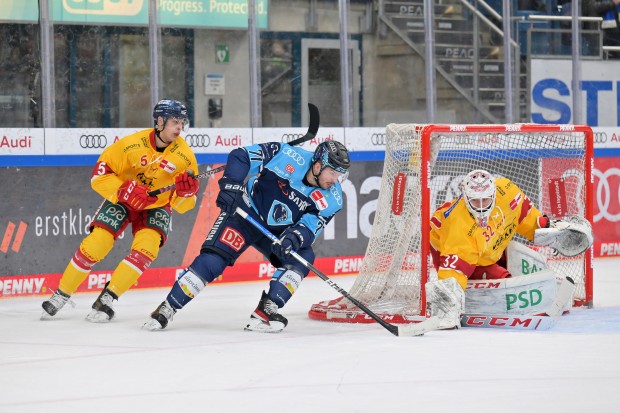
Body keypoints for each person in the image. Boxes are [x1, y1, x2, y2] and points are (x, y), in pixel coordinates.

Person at [143, 139, 351, 332]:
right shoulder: (287, 155)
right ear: (317, 165)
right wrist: (231, 186)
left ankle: (266, 310)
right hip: (245, 214)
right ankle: (168, 307)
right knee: (213, 261)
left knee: (302, 258)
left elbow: (311, 226)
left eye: (339, 175)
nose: (335, 180)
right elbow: (241, 155)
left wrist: (294, 238)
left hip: (277, 234)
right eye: (332, 173)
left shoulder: (333, 198)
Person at [41, 99, 200, 322]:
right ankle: (61, 294)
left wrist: (186, 195)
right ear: (160, 121)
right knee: (97, 243)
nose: (179, 128)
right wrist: (123, 191)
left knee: (146, 249)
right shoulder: (130, 145)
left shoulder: (186, 157)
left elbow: (183, 206)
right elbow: (99, 176)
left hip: (156, 206)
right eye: (175, 122)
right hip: (124, 200)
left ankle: (107, 298)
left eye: (182, 122)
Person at [427, 169, 593, 329]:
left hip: (489, 247)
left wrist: (549, 229)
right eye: (475, 201)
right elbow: (453, 273)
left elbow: (530, 220)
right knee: (502, 279)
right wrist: (446, 306)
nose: (481, 206)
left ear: (493, 193)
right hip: (451, 249)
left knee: (519, 255)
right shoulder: (459, 227)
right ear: (465, 198)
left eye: (485, 200)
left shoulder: (507, 191)